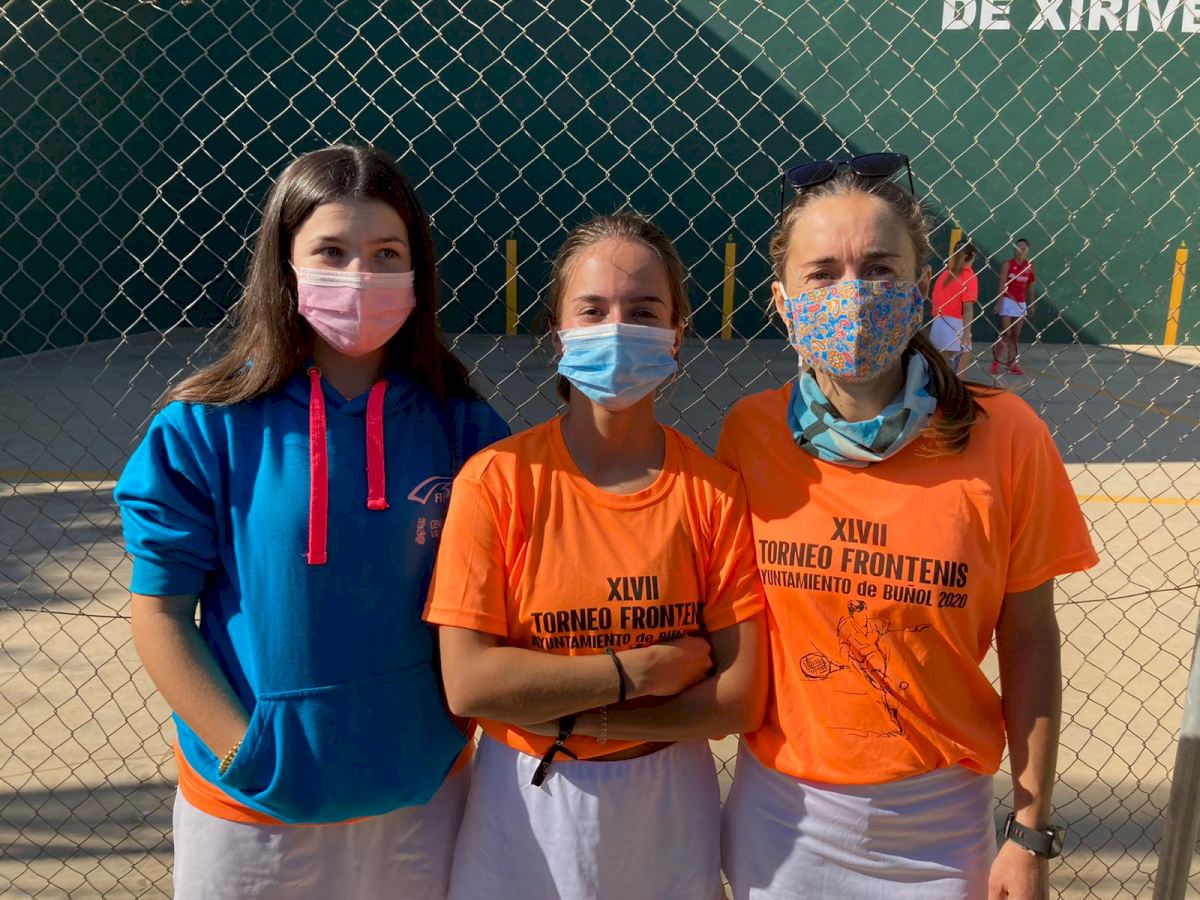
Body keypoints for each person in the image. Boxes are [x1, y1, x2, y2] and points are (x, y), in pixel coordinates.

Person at [113, 145, 509, 899]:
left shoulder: (465, 428)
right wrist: (242, 753)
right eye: (331, 251)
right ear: (284, 266)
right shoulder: (202, 428)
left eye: (386, 253)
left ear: (417, 271)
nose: (360, 275)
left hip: (423, 795)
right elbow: (160, 615)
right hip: (251, 812)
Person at [717, 157, 1097, 900]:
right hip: (781, 819)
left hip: (939, 825)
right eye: (822, 273)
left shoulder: (1006, 434)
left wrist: (1029, 832)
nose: (853, 294)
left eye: (880, 268)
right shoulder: (751, 433)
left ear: (920, 288)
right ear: (783, 302)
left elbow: (1029, 638)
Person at [423, 212, 767, 900]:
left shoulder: (713, 493)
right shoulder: (497, 482)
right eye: (593, 309)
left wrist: (575, 714)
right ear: (558, 334)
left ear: (677, 333)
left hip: (667, 801)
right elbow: (471, 683)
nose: (617, 328)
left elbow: (737, 699)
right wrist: (636, 672)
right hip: (524, 800)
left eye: (643, 311)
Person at [930, 241, 978, 374]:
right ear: (973, 257)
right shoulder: (969, 276)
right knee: (958, 376)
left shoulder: (944, 274)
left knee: (940, 373)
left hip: (937, 325)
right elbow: (967, 308)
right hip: (956, 326)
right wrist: (966, 334)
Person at [991, 238, 1036, 376]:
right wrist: (999, 303)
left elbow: (1030, 288)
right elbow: (1002, 284)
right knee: (1005, 335)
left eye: (1023, 248)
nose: (1020, 250)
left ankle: (1011, 364)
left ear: (1027, 251)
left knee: (1015, 336)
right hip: (1007, 302)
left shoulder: (1030, 267)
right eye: (1018, 248)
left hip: (1021, 304)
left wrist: (1031, 304)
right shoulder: (1007, 264)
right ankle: (995, 364)